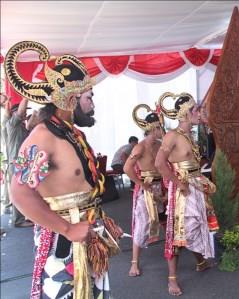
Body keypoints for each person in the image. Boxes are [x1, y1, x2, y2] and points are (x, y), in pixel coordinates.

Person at [4, 40, 121, 298]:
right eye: (89, 97)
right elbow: (19, 193)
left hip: (87, 232)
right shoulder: (43, 135)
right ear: (70, 99)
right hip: (63, 241)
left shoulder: (72, 133)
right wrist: (67, 229)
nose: (92, 104)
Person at [155, 92, 216, 296]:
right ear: (186, 113)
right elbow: (159, 163)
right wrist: (178, 183)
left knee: (197, 225)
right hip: (182, 190)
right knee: (178, 232)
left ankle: (200, 262)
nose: (199, 113)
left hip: (195, 186)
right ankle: (172, 280)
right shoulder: (172, 136)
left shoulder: (190, 135)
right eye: (197, 110)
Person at [123, 104, 166, 277]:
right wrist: (141, 184)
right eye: (159, 127)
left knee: (166, 219)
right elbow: (127, 168)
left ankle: (174, 250)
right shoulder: (139, 147)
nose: (161, 130)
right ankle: (134, 263)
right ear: (153, 128)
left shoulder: (160, 145)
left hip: (161, 187)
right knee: (141, 225)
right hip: (146, 189)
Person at [3, 96, 34, 227]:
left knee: (24, 191)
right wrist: (26, 96)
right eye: (24, 110)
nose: (25, 113)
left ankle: (22, 217)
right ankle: (18, 220)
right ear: (15, 113)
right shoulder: (12, 125)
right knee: (19, 192)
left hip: (21, 162)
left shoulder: (20, 127)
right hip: (16, 163)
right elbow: (20, 113)